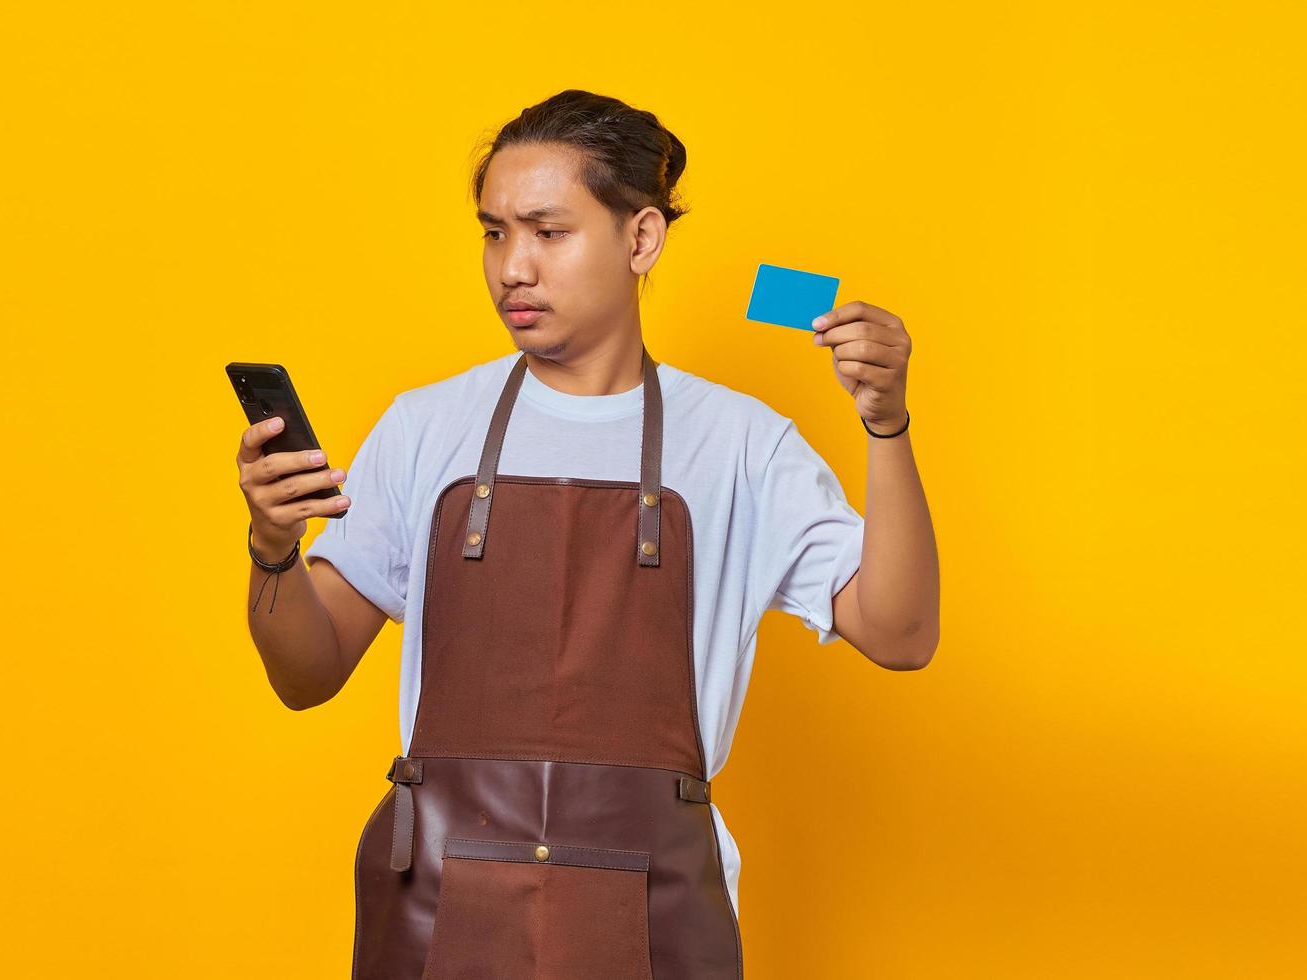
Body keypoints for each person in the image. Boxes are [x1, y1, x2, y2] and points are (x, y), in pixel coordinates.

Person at [235, 89, 939, 979]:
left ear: (641, 239)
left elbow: (903, 634)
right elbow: (307, 674)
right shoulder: (424, 427)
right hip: (439, 910)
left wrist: (887, 427)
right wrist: (272, 548)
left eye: (547, 232)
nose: (511, 268)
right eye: (494, 233)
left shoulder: (743, 443)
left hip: (656, 920)